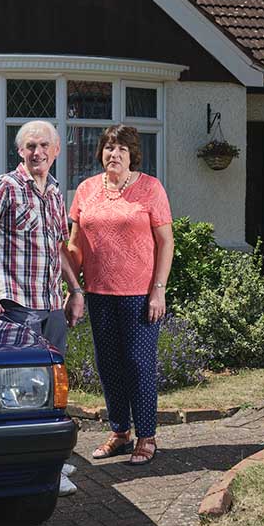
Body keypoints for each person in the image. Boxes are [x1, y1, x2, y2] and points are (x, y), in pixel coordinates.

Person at [0, 120, 85, 495]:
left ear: (56, 150)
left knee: (51, 391)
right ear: (20, 151)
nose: (37, 152)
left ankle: (52, 461)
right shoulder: (5, 187)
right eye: (30, 146)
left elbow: (58, 249)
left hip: (51, 306)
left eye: (44, 145)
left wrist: (75, 289)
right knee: (17, 396)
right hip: (18, 308)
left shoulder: (55, 192)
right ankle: (33, 473)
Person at [67, 124, 174, 466]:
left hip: (139, 295)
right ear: (101, 153)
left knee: (138, 366)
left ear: (133, 156)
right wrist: (68, 281)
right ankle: (120, 432)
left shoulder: (150, 188)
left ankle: (146, 436)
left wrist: (158, 291)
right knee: (108, 365)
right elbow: (75, 244)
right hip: (99, 293)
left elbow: (166, 242)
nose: (114, 155)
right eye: (109, 149)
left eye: (122, 150)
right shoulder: (85, 190)